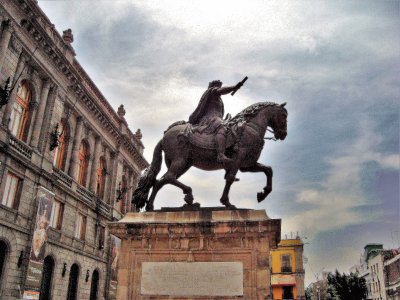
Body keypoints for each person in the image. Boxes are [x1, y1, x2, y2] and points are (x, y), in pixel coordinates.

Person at [188, 79, 243, 164]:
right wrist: (234, 87)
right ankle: (220, 155)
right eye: (218, 85)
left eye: (219, 85)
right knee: (221, 127)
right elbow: (222, 90)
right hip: (210, 118)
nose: (219, 87)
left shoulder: (218, 98)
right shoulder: (212, 91)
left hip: (217, 117)